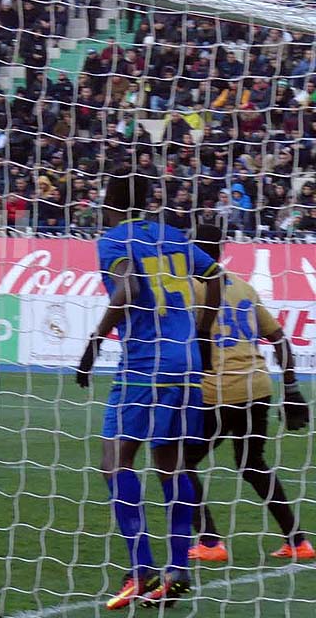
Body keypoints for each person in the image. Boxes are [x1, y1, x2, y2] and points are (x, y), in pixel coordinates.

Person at [75, 175, 223, 609]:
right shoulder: (173, 235)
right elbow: (215, 276)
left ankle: (141, 568)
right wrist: (201, 333)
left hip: (144, 364)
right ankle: (178, 568)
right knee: (171, 465)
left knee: (114, 460)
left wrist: (94, 340)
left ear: (110, 203)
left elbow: (129, 289)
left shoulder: (113, 240)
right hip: (185, 362)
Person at [183, 224, 314, 562]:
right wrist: (291, 388)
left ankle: (210, 543)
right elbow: (280, 339)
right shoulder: (243, 287)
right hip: (257, 387)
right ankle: (298, 541)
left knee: (181, 463)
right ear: (220, 251)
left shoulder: (190, 289)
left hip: (218, 390)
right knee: (252, 463)